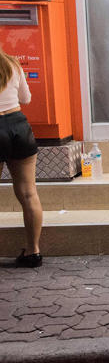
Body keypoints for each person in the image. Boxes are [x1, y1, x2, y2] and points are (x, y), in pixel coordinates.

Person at [0, 48, 41, 268]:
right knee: (28, 193)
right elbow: (25, 98)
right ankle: (33, 252)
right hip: (18, 125)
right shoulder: (12, 64)